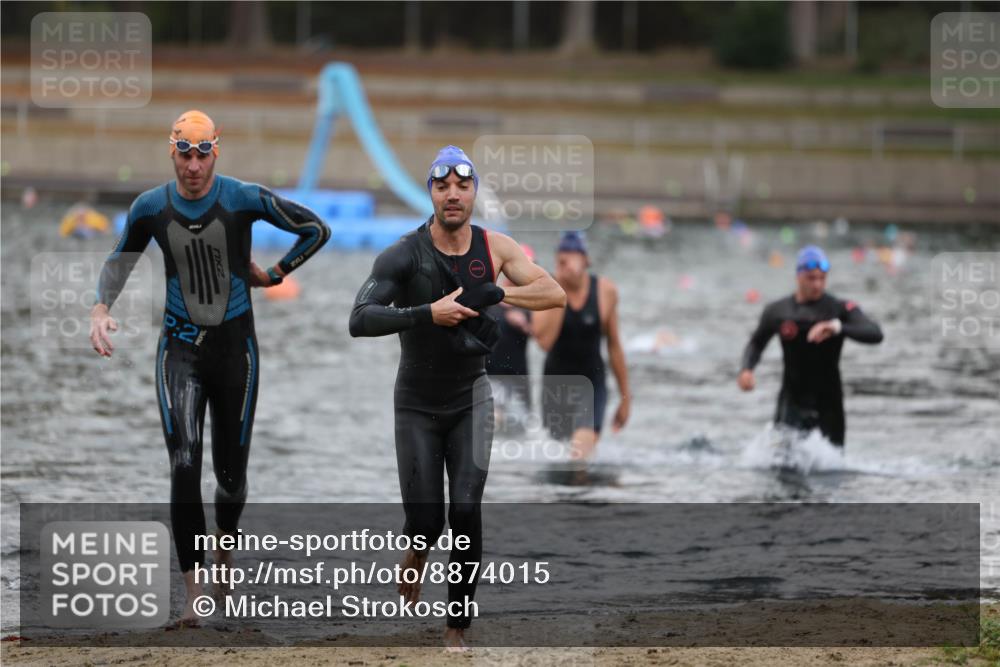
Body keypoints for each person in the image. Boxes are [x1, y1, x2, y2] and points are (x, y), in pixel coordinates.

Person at [89, 110, 330, 626]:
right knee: (183, 460)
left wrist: (275, 274)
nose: (193, 164)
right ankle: (195, 595)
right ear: (170, 151)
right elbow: (120, 259)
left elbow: (316, 229)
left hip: (236, 352)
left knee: (230, 476)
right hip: (179, 349)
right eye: (184, 152)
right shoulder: (150, 207)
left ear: (216, 151)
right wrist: (100, 310)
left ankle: (225, 553)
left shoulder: (242, 197)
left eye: (202, 152)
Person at [348, 145, 565, 649]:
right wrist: (427, 313)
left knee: (466, 511)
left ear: (473, 192)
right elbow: (359, 319)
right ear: (431, 192)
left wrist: (498, 291)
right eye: (442, 186)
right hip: (416, 404)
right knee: (427, 523)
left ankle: (456, 631)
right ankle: (415, 552)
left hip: (472, 398)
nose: (453, 195)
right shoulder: (403, 253)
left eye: (462, 186)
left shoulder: (496, 248)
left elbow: (553, 292)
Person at [738, 245, 883, 447]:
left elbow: (875, 333)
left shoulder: (838, 308)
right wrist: (747, 369)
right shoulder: (778, 311)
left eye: (822, 278)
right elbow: (756, 343)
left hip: (829, 403)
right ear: (798, 276)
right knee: (784, 469)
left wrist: (837, 327)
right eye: (811, 278)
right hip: (792, 401)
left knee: (831, 470)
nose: (817, 284)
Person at [533, 231, 631, 462]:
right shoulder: (546, 289)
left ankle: (585, 494)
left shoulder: (606, 291)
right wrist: (560, 291)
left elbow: (615, 346)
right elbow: (544, 342)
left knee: (579, 453)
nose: (569, 264)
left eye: (574, 256)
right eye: (563, 258)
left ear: (586, 260)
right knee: (558, 457)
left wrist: (626, 398)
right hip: (556, 384)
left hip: (592, 383)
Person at [484, 244, 536, 425]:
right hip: (489, 378)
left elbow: (544, 336)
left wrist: (526, 325)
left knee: (521, 432)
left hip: (518, 380)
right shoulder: (489, 300)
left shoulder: (532, 305)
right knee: (493, 425)